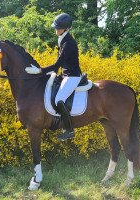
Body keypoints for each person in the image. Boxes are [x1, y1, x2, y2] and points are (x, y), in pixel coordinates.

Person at [43, 13, 82, 141]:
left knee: (59, 99)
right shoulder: (62, 39)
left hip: (73, 76)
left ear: (66, 29)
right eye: (56, 27)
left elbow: (57, 64)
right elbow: (61, 63)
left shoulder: (69, 42)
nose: (56, 30)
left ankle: (69, 130)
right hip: (66, 75)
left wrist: (40, 70)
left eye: (58, 28)